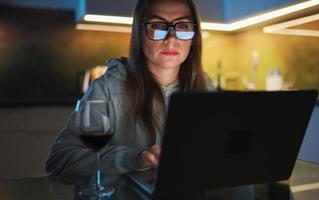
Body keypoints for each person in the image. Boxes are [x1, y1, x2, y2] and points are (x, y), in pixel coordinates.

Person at [45, 0, 215, 178]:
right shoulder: (108, 87)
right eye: (157, 26)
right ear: (139, 35)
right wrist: (134, 159)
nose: (171, 39)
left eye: (183, 27)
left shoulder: (204, 86)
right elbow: (59, 160)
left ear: (194, 37)